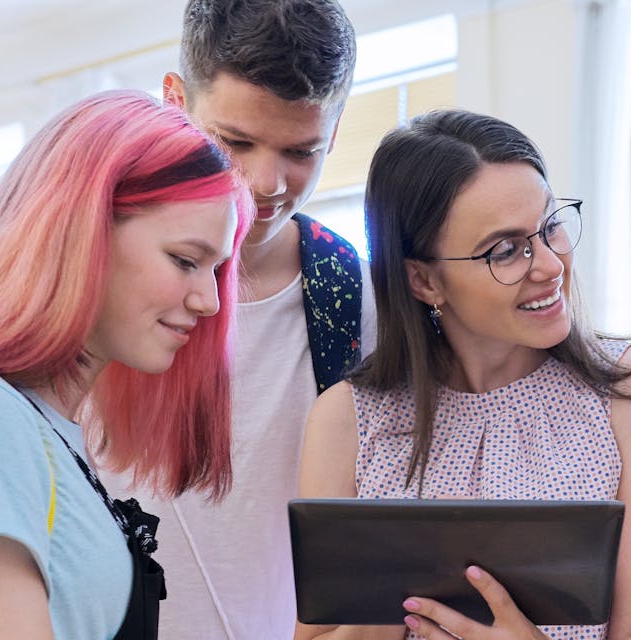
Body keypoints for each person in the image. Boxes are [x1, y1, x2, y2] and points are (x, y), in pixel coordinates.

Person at [296, 109, 631, 640]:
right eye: (506, 250)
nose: (550, 265)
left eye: (550, 226)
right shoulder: (347, 419)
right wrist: (401, 595)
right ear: (422, 281)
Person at [0, 89, 252, 639]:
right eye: (185, 261)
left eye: (214, 270)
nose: (209, 301)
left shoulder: (38, 428)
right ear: (81, 234)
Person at [94, 1, 377, 637]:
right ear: (174, 102)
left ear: (335, 130)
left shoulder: (353, 298)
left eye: (301, 149)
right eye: (236, 142)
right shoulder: (88, 276)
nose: (263, 181)